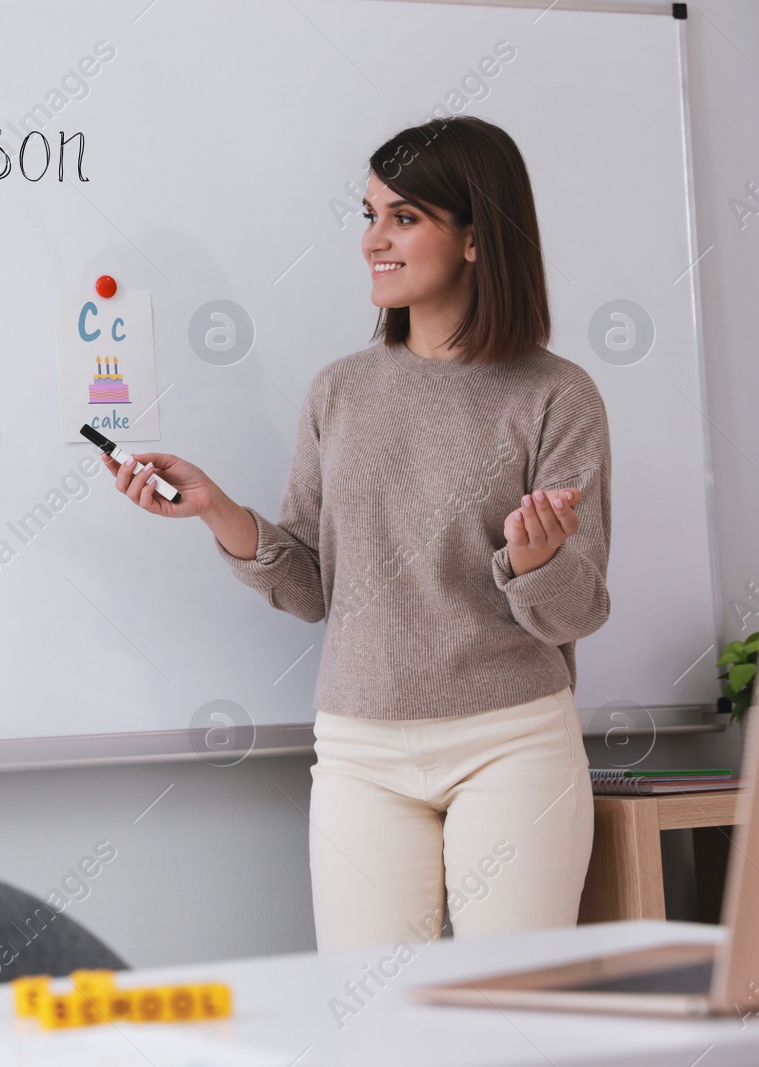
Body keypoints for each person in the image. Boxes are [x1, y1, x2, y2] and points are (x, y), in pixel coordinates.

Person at [103, 116, 610, 951]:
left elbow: (575, 610)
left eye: (404, 217)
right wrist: (217, 510)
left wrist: (533, 562)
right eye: (369, 215)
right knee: (369, 1020)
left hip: (512, 739)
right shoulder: (339, 392)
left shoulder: (557, 395)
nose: (374, 239)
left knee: (516, 1016)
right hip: (360, 749)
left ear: (478, 238)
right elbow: (308, 589)